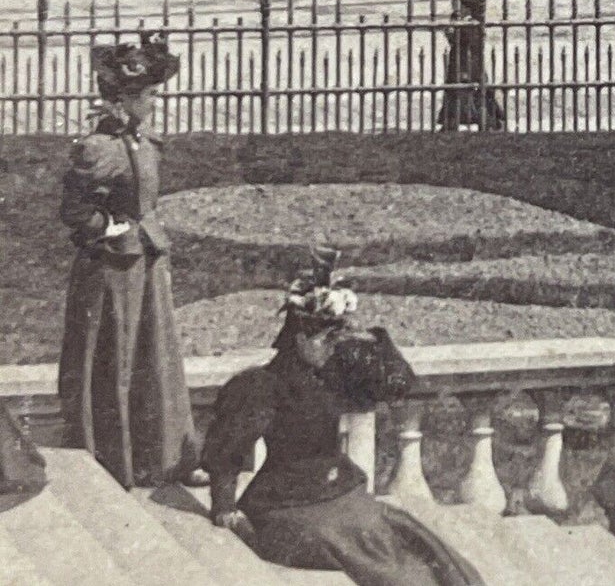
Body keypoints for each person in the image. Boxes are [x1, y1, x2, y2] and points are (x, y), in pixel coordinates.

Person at [202, 248, 482, 586]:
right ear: (301, 339)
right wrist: (225, 510)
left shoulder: (333, 372)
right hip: (288, 507)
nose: (334, 346)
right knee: (389, 569)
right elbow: (225, 455)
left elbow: (399, 385)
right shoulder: (263, 386)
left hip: (341, 493)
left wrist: (373, 338)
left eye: (338, 337)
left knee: (421, 546)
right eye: (326, 339)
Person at [58, 33, 199, 488]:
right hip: (113, 268)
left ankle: (163, 457)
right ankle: (112, 458)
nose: (155, 102)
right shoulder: (97, 149)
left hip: (147, 262)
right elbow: (75, 212)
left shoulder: (146, 141)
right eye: (150, 94)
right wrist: (108, 227)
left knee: (156, 356)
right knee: (114, 357)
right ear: (124, 98)